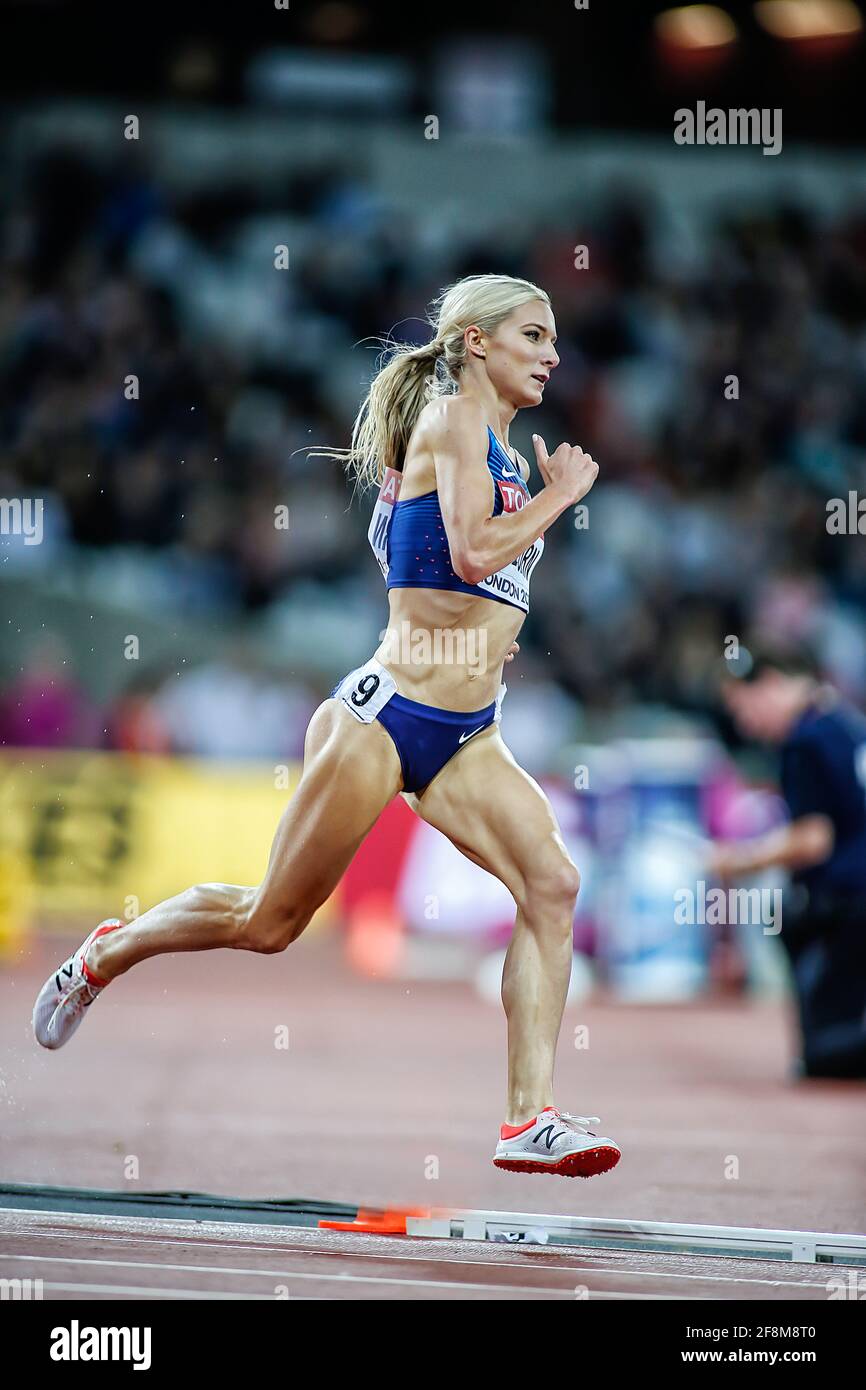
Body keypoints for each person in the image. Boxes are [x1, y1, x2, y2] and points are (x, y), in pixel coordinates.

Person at [33, 272, 621, 1177]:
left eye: (553, 340)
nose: (552, 354)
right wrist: (560, 499)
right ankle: (109, 952)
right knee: (272, 923)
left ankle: (526, 1119)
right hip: (384, 719)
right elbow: (468, 554)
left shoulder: (500, 447)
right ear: (476, 343)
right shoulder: (455, 417)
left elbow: (459, 563)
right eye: (534, 336)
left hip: (471, 733)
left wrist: (524, 520)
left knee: (552, 885)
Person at [712, 642, 866, 1080]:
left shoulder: (804, 740)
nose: (745, 723)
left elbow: (813, 839)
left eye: (744, 707)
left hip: (848, 903)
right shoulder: (843, 722)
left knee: (826, 1054)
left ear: (771, 684)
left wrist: (740, 859)